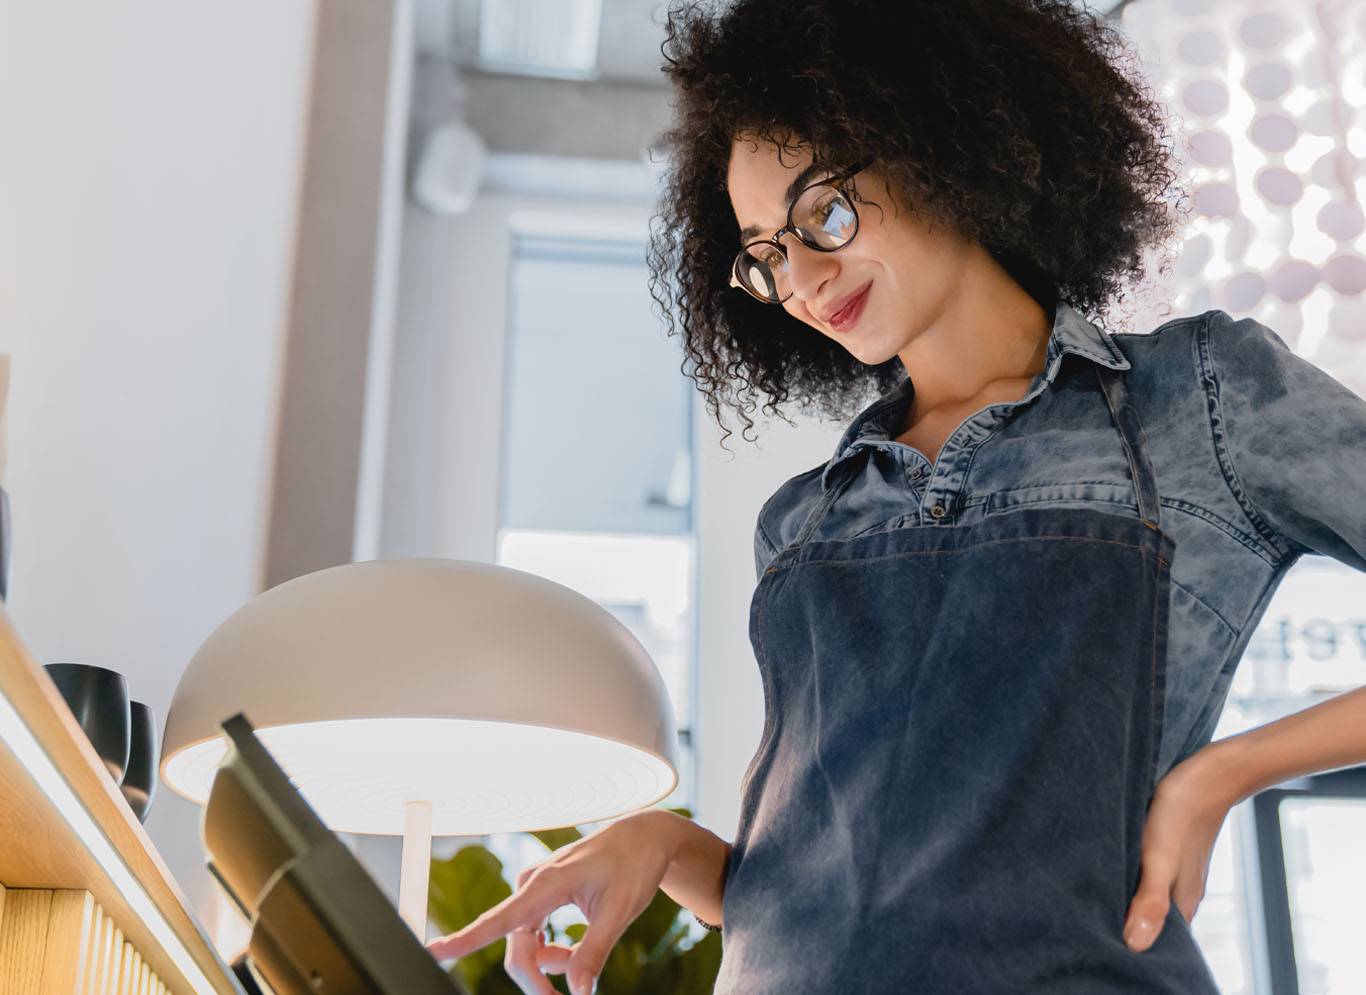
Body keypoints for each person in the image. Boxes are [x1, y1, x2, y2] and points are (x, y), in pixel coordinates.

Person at [428, 1, 1366, 991]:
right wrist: (660, 840)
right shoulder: (803, 521)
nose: (804, 278)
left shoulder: (1196, 401)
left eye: (822, 212)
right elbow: (804, 873)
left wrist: (1222, 771)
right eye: (767, 256)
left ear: (939, 143)